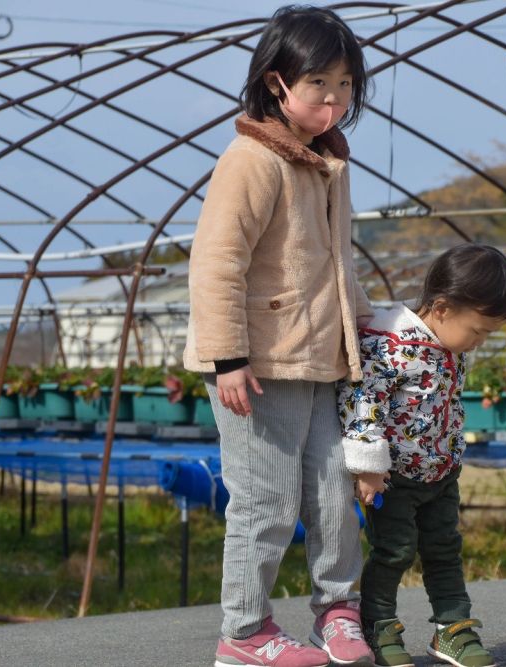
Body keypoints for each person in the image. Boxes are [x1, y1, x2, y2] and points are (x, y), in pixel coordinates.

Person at [184, 6, 376, 667]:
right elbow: (216, 261)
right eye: (320, 82)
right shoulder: (252, 161)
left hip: (319, 361)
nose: (336, 98)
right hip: (257, 367)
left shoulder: (327, 163)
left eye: (346, 84)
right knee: (263, 502)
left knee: (332, 492)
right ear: (276, 84)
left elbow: (334, 264)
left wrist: (369, 328)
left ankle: (339, 612)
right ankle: (243, 633)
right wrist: (227, 357)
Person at [338, 244, 506, 667]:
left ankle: (453, 630)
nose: (478, 342)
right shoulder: (389, 343)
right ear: (441, 307)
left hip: (441, 473)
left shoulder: (449, 348)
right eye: (478, 331)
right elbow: (362, 401)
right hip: (393, 476)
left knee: (444, 549)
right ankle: (377, 625)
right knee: (394, 550)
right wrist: (367, 466)